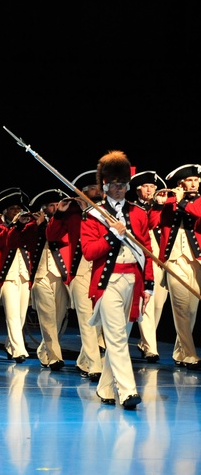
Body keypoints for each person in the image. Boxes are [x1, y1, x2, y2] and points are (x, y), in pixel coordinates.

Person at [80, 150, 154, 409]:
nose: (119, 189)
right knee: (117, 337)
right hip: (108, 282)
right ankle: (128, 391)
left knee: (119, 337)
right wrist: (112, 235)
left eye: (123, 185)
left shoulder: (138, 214)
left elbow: (146, 250)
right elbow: (89, 252)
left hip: (133, 281)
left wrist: (149, 285)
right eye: (114, 185)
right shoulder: (93, 215)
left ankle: (105, 388)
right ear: (105, 186)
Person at [155, 163, 201, 371]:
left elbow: (197, 212)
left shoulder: (197, 201)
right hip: (174, 261)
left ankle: (180, 352)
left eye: (196, 180)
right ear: (181, 183)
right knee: (181, 308)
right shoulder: (170, 201)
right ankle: (190, 355)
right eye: (190, 180)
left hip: (196, 261)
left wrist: (182, 202)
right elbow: (152, 222)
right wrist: (158, 204)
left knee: (191, 309)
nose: (194, 183)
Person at [0, 188, 40, 363]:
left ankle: (11, 344)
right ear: (4, 211)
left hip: (24, 275)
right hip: (7, 277)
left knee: (20, 315)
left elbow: (31, 236)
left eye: (19, 208)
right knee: (12, 314)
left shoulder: (26, 227)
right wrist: (15, 225)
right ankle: (19, 350)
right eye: (13, 209)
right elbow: (7, 242)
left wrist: (33, 221)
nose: (17, 212)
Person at [66, 169, 105, 381]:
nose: (97, 191)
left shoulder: (107, 212)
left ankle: (84, 360)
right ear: (82, 192)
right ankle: (94, 366)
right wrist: (60, 213)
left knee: (98, 320)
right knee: (86, 320)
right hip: (80, 272)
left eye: (99, 187)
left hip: (101, 271)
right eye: (92, 188)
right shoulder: (71, 214)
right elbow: (52, 235)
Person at [28, 188, 71, 371]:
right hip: (39, 275)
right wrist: (37, 225)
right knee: (47, 317)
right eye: (52, 206)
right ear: (44, 208)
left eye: (57, 205)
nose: (56, 208)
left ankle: (43, 350)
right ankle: (55, 357)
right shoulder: (32, 224)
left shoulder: (65, 223)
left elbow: (61, 239)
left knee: (58, 317)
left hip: (60, 274)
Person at [128, 170, 168, 363]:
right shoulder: (133, 208)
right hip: (143, 257)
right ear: (138, 189)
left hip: (161, 258)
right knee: (148, 303)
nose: (150, 190)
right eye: (146, 186)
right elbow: (150, 224)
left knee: (159, 304)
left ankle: (145, 343)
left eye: (153, 186)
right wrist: (158, 208)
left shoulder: (162, 205)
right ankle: (151, 347)